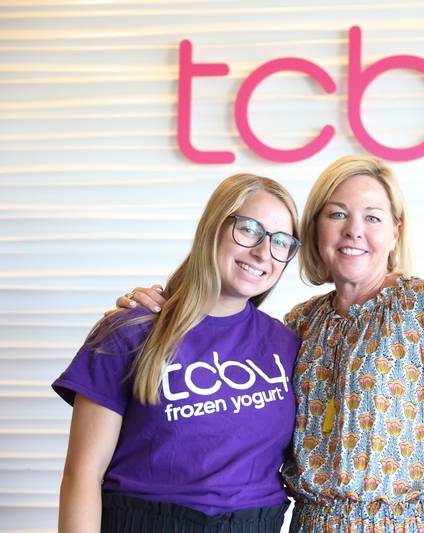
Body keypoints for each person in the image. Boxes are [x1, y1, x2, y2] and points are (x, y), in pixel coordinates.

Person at [121, 156, 424, 532]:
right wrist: (160, 311)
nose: (354, 231)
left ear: (394, 231)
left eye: (372, 216)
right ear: (314, 230)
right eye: (336, 215)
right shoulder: (299, 325)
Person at [53, 174, 303, 533]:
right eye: (249, 229)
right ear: (213, 227)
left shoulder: (288, 344)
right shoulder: (129, 332)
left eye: (281, 241)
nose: (264, 252)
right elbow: (82, 474)